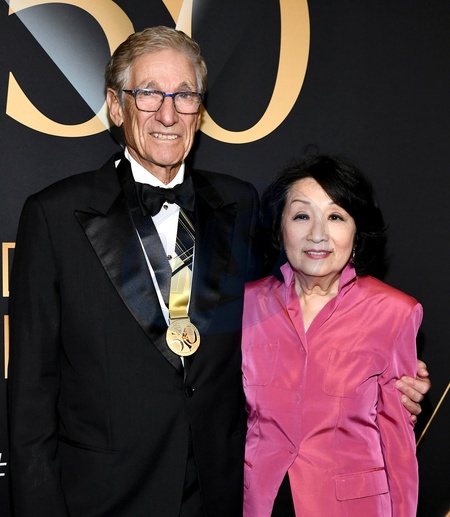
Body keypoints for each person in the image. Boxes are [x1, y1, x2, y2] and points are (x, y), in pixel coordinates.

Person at [7, 27, 428, 517]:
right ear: (117, 106)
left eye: (184, 95)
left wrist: (387, 379)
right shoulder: (55, 216)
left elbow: (289, 320)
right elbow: (31, 398)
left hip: (221, 495)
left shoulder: (240, 204)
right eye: (149, 93)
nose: (168, 114)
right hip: (105, 499)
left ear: (200, 110)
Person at [242, 153, 423, 516]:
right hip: (261, 501)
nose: (318, 234)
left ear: (356, 233)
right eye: (302, 216)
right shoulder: (245, 304)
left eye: (336, 216)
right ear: (280, 228)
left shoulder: (395, 312)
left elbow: (398, 441)